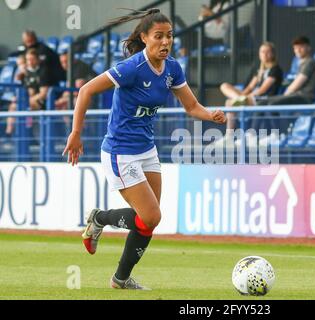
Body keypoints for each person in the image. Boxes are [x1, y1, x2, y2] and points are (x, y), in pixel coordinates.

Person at [62, 8, 226, 290]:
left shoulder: (172, 68)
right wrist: (76, 133)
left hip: (147, 150)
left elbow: (191, 106)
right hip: (119, 152)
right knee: (151, 216)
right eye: (159, 36)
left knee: (147, 221)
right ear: (144, 38)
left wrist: (210, 115)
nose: (165, 42)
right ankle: (99, 219)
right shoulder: (132, 68)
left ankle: (120, 278)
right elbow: (86, 90)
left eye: (170, 36)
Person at [219, 42, 283, 132]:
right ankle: (238, 99)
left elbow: (262, 89)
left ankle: (229, 135)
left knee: (229, 103)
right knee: (224, 86)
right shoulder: (259, 69)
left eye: (267, 52)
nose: (264, 54)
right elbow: (250, 87)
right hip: (249, 97)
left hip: (261, 99)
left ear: (272, 54)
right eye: (262, 52)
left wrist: (247, 97)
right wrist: (242, 95)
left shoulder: (275, 70)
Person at [5, 49, 59, 136]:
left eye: (32, 59)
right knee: (13, 106)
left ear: (38, 59)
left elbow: (43, 94)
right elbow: (30, 91)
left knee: (20, 106)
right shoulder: (27, 73)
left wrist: (26, 101)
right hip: (31, 102)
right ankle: (9, 133)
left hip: (46, 102)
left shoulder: (44, 71)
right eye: (28, 59)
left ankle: (20, 133)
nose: (30, 62)